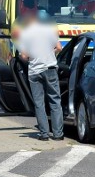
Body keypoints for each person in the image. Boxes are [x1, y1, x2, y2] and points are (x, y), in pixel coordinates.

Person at [15, 11, 64, 141]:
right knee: (55, 101)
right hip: (50, 68)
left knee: (39, 104)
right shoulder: (49, 30)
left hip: (34, 71)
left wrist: (32, 57)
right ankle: (58, 134)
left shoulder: (24, 34)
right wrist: (50, 53)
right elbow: (59, 48)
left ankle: (44, 134)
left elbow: (24, 56)